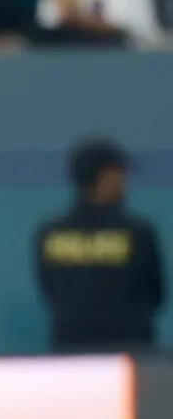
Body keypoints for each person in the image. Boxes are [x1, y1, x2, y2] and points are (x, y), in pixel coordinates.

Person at [35, 140, 165, 353]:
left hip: (70, 350)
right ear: (106, 177)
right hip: (130, 351)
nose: (124, 182)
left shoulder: (50, 234)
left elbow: (49, 290)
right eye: (120, 175)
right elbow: (156, 295)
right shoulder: (137, 232)